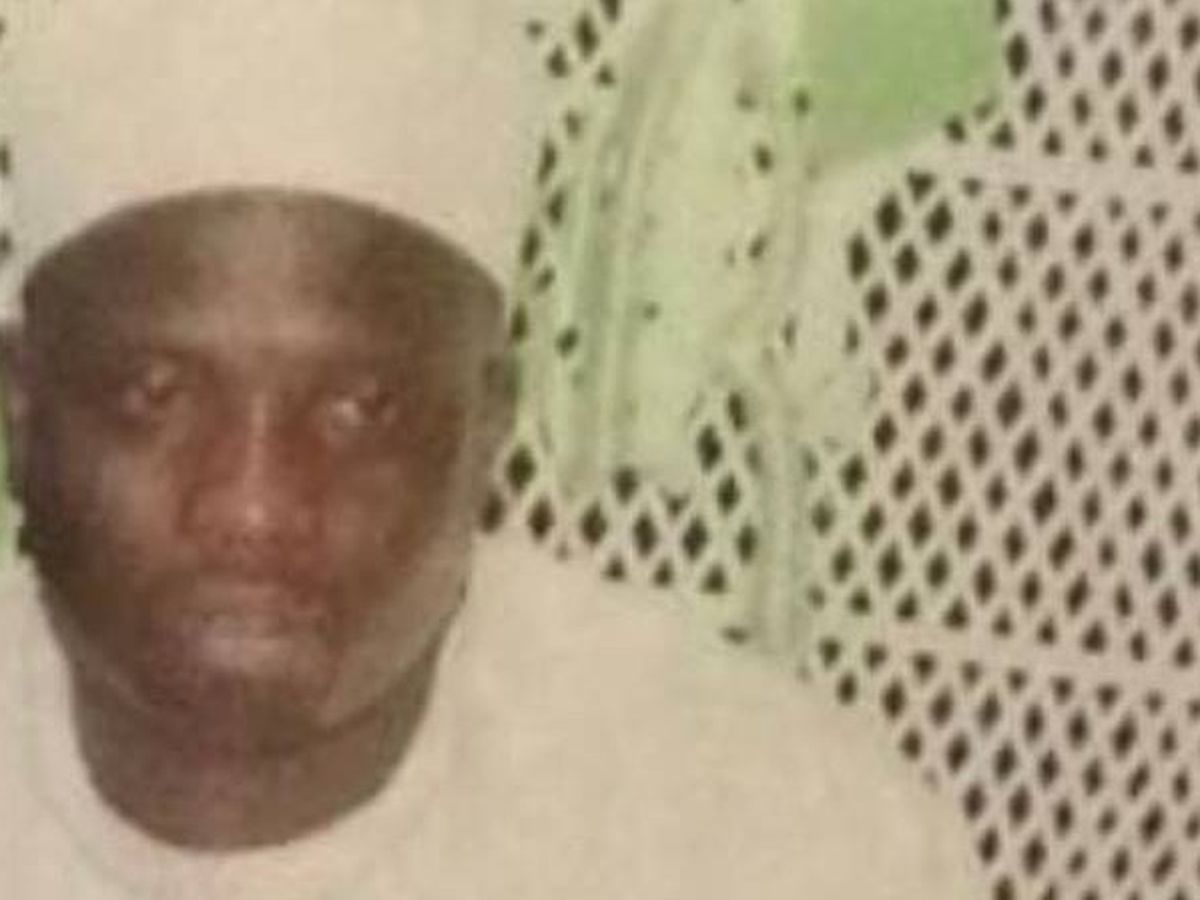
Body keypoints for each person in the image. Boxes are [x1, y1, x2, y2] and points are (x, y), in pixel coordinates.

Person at [0, 1, 986, 897]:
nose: (254, 505)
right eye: (156, 395)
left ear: (488, 427)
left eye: (359, 409)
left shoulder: (789, 847)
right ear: (23, 406)